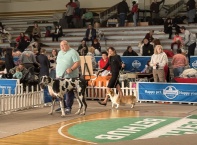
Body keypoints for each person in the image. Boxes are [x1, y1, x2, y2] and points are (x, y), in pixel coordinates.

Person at [56, 40, 80, 114]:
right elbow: (59, 63)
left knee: (69, 92)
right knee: (59, 92)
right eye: (61, 45)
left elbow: (77, 62)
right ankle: (63, 105)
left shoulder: (73, 52)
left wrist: (71, 69)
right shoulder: (60, 52)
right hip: (59, 76)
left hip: (70, 76)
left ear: (67, 45)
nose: (62, 47)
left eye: (64, 45)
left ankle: (68, 107)